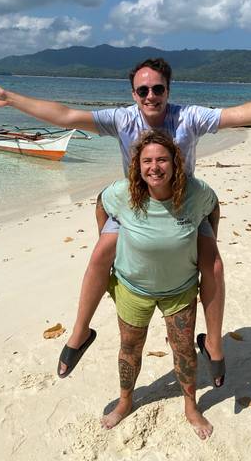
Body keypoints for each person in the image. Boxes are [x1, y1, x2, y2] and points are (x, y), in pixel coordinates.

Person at [0, 58, 251, 387]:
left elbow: (240, 114)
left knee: (215, 267)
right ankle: (80, 333)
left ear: (168, 91)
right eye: (143, 90)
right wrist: (10, 98)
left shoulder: (188, 117)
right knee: (101, 251)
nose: (151, 95)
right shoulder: (121, 119)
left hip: (184, 205)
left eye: (157, 88)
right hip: (137, 204)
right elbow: (66, 116)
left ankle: (213, 344)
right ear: (134, 94)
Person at [99, 129, 218, 439]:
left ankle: (191, 406)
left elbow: (213, 207)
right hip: (132, 288)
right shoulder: (123, 193)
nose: (154, 167)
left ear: (175, 163)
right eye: (147, 160)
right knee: (130, 348)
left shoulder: (195, 193)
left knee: (183, 349)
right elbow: (101, 203)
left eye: (162, 159)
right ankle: (126, 401)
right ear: (137, 165)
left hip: (179, 290)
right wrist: (107, 238)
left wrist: (207, 239)